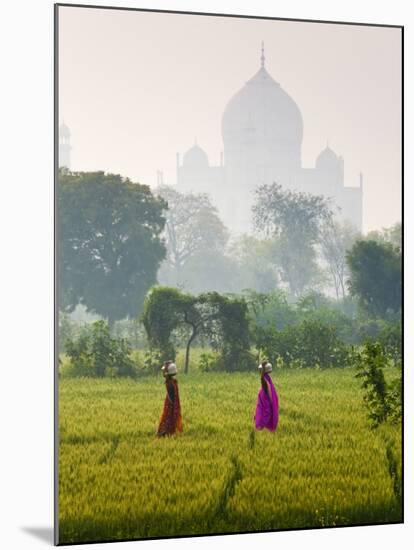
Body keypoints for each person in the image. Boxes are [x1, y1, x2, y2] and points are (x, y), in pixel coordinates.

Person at [157, 360, 183, 437]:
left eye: (165, 371)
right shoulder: (173, 381)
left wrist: (170, 407)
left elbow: (171, 398)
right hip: (171, 404)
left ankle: (165, 432)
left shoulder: (170, 383)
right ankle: (169, 432)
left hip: (170, 405)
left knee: (168, 417)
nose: (163, 373)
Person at [254, 359, 279, 432]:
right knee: (261, 414)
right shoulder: (266, 377)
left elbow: (269, 390)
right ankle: (262, 430)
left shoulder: (265, 378)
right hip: (263, 400)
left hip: (265, 400)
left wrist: (271, 402)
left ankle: (260, 429)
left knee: (263, 414)